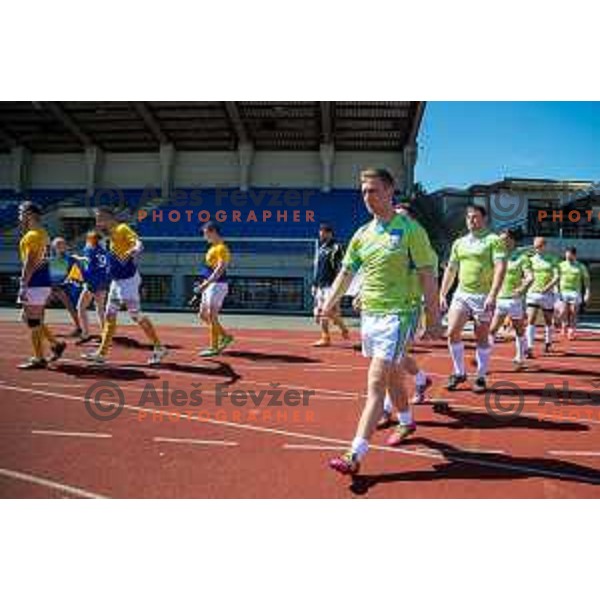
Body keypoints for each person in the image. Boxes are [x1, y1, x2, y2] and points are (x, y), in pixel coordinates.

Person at [321, 168, 441, 476]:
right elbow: (346, 274)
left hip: (400, 314)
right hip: (370, 316)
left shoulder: (410, 229)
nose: (367, 197)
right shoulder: (362, 234)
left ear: (390, 191)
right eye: (363, 192)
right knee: (390, 378)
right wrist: (328, 304)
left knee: (376, 382)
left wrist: (434, 318)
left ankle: (354, 453)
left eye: (373, 190)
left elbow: (428, 274)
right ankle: (406, 422)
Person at [82, 207, 168, 366]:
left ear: (107, 218)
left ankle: (159, 347)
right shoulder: (109, 236)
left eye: (99, 218)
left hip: (128, 281)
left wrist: (135, 249)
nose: (97, 222)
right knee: (110, 315)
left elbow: (137, 243)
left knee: (135, 315)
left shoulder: (122, 229)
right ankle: (101, 353)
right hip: (117, 281)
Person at [439, 205, 507, 393]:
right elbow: (451, 269)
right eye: (469, 217)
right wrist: (442, 294)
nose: (471, 220)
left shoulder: (493, 240)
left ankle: (481, 376)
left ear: (484, 219)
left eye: (476, 217)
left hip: (483, 296)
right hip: (461, 294)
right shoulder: (459, 243)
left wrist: (493, 294)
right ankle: (459, 372)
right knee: (452, 332)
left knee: (481, 336)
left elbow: (500, 268)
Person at [16, 202, 66, 369]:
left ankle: (39, 358)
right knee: (28, 318)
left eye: (21, 212)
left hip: (35, 282)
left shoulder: (33, 235)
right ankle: (55, 344)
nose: (19, 216)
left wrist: (23, 283)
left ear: (29, 214)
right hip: (41, 282)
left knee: (33, 321)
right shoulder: (42, 233)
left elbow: (30, 262)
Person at [488, 230, 533, 371]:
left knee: (519, 329)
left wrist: (521, 289)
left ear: (512, 240)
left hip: (514, 300)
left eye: (504, 239)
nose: (501, 242)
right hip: (499, 298)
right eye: (500, 239)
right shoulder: (498, 256)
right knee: (492, 330)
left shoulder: (522, 258)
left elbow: (530, 277)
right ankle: (484, 359)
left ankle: (520, 358)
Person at [197, 222, 234, 358]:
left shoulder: (221, 248)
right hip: (210, 285)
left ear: (213, 232)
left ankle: (214, 347)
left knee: (212, 316)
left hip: (217, 285)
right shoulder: (212, 248)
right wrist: (205, 284)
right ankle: (225, 336)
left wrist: (207, 283)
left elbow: (220, 269)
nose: (204, 236)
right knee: (202, 315)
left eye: (205, 233)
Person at [312, 224, 349, 347]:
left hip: (331, 285)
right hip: (320, 285)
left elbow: (342, 267)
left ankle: (326, 337)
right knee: (324, 312)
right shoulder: (321, 248)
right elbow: (317, 268)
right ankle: (341, 329)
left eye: (323, 232)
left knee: (325, 311)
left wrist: (339, 285)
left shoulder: (337, 247)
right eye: (320, 231)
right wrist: (314, 284)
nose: (321, 234)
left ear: (330, 233)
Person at [525, 237, 560, 358]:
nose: (537, 248)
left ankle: (548, 342)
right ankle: (529, 347)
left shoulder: (553, 259)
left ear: (545, 246)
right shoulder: (530, 260)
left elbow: (557, 277)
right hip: (533, 293)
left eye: (539, 246)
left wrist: (547, 287)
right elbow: (526, 275)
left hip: (547, 294)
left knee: (548, 320)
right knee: (531, 319)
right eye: (535, 246)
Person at [74, 231, 110, 343]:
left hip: (92, 282)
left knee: (80, 307)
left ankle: (86, 333)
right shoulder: (104, 252)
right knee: (100, 309)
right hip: (102, 281)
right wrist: (80, 258)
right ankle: (105, 333)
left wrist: (85, 280)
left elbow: (88, 268)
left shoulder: (89, 250)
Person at [48, 237, 83, 337]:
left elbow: (75, 273)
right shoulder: (51, 259)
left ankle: (79, 327)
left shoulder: (70, 259)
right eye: (58, 245)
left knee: (71, 308)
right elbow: (50, 275)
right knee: (40, 305)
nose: (61, 246)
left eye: (62, 244)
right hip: (52, 287)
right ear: (54, 247)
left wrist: (66, 284)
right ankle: (40, 327)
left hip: (64, 288)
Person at [557, 247, 591, 341]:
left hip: (575, 292)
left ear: (574, 255)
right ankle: (564, 325)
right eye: (566, 255)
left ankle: (571, 331)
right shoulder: (561, 265)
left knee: (573, 312)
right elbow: (556, 279)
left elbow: (586, 281)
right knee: (563, 311)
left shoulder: (581, 266)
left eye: (570, 255)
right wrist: (556, 290)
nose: (567, 257)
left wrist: (587, 293)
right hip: (563, 291)